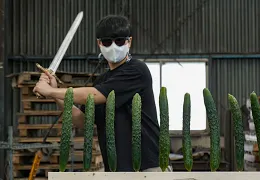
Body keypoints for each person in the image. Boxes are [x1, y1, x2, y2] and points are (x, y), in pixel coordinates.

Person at [33, 14, 172, 172]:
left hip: (149, 168)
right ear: (99, 44)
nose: (113, 46)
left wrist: (52, 90)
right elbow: (81, 120)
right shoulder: (101, 80)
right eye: (107, 42)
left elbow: (96, 95)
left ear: (129, 42)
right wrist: (54, 95)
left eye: (119, 40)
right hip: (116, 169)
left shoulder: (137, 70)